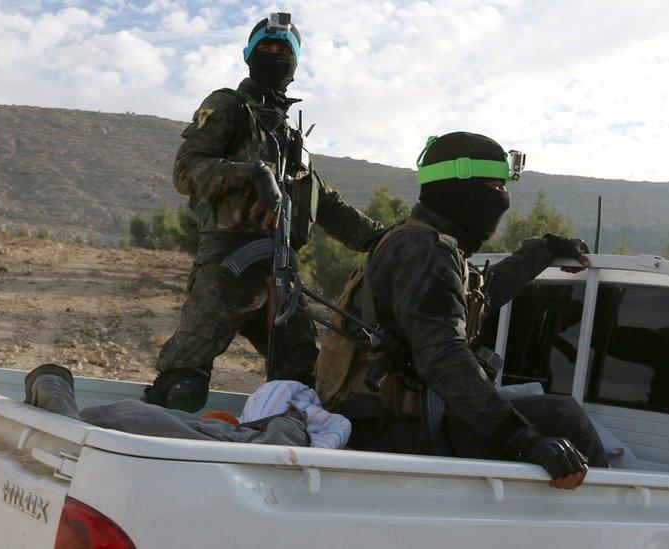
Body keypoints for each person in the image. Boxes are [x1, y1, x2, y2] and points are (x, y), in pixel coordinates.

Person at [315, 131, 609, 490]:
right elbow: (443, 354)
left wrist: (543, 250)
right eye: (495, 186)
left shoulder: (419, 241)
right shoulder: (426, 250)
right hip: (380, 431)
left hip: (381, 420)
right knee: (561, 416)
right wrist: (523, 441)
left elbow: (481, 296)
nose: (503, 199)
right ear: (458, 188)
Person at [143, 13, 382, 413]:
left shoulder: (290, 137)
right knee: (181, 387)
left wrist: (388, 236)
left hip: (280, 276)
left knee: (299, 391)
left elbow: (328, 206)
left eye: (284, 50)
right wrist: (253, 173)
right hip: (227, 268)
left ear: (296, 62)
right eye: (266, 49)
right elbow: (186, 172)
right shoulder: (227, 106)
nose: (275, 55)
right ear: (248, 56)